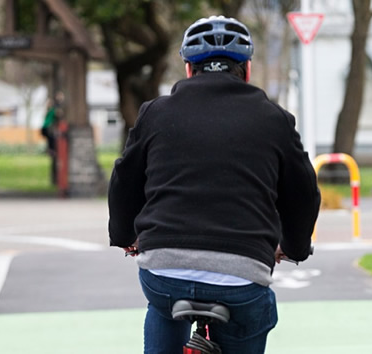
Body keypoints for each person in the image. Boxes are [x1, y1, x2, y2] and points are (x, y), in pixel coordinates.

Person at [108, 16, 320, 354]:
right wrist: (293, 247)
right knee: (252, 313)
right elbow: (303, 194)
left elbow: (123, 182)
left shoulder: (156, 113)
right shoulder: (275, 119)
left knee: (162, 307)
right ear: (247, 70)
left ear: (189, 70)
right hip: (242, 273)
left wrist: (124, 236)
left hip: (165, 269)